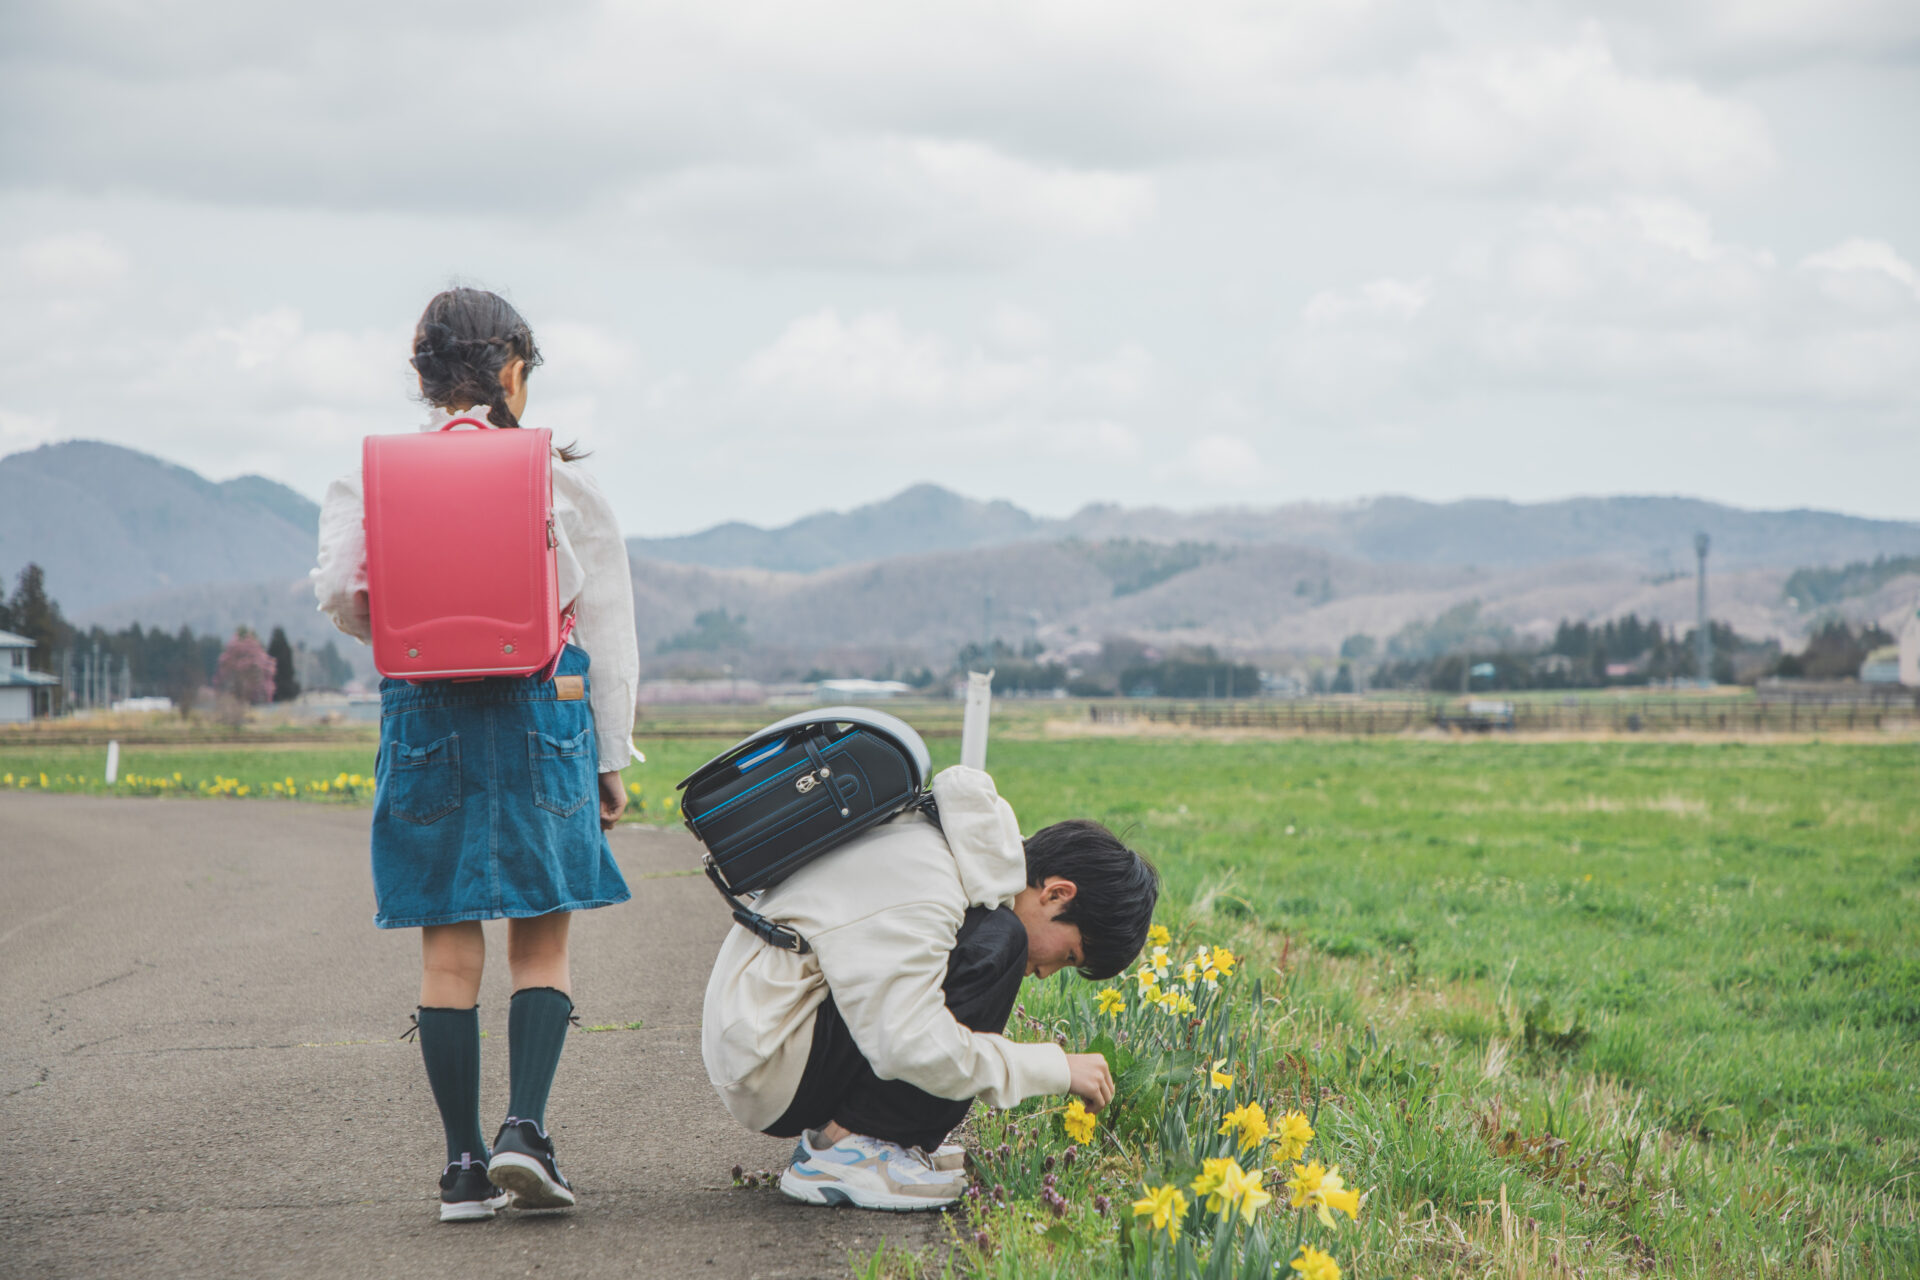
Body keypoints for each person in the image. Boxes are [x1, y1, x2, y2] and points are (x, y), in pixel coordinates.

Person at [311, 287, 639, 1222]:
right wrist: (610, 754)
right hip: (543, 715)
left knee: (447, 958)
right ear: (512, 372)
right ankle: (524, 1133)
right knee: (541, 946)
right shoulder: (559, 480)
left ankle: (460, 1168)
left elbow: (345, 599)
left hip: (427, 721)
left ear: (423, 378)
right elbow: (605, 626)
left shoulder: (370, 477)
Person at [701, 765, 1157, 1211]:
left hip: (772, 1033)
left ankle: (873, 1140)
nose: (1046, 972)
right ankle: (851, 1150)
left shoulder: (947, 849)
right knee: (1001, 942)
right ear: (1057, 893)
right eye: (1068, 957)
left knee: (995, 939)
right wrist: (1054, 1068)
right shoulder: (930, 880)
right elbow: (905, 1041)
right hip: (770, 1060)